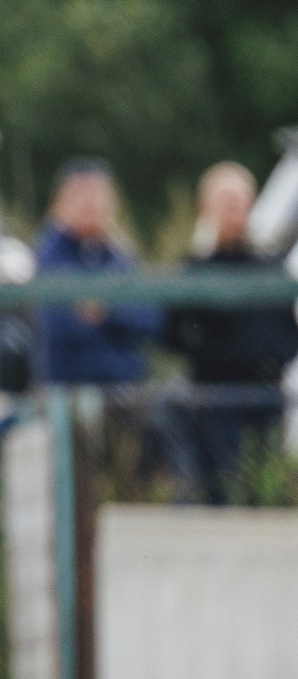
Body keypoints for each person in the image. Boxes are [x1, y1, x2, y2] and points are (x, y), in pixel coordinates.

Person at [164, 162, 298, 502]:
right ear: (206, 208)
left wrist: (271, 360)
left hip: (263, 397)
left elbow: (288, 330)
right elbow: (174, 334)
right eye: (225, 201)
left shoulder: (271, 271)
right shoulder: (192, 272)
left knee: (262, 487)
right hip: (212, 400)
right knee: (218, 487)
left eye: (239, 201)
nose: (233, 209)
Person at [34, 158, 160, 385]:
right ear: (59, 203)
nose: (90, 203)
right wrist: (117, 310)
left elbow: (150, 320)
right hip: (68, 391)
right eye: (80, 194)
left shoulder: (121, 255)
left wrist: (107, 311)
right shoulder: (47, 255)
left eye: (98, 194)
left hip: (125, 389)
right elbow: (60, 326)